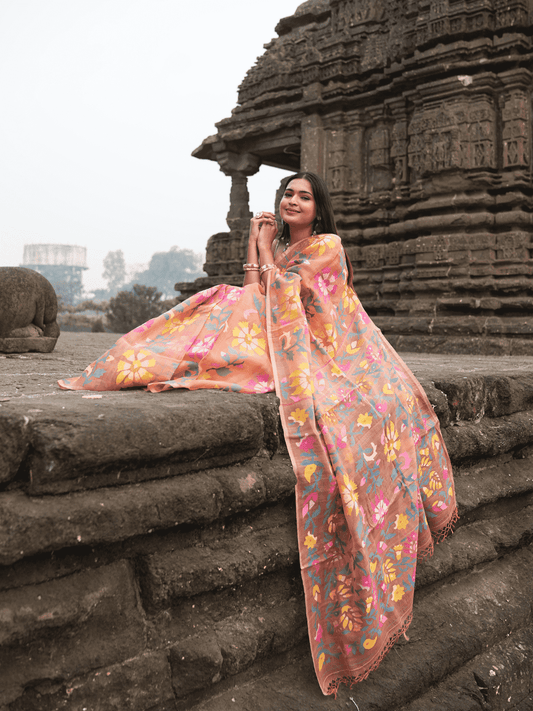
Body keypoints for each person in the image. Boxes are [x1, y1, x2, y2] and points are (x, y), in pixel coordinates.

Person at [59, 172, 457, 696]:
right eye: (287, 194)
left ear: (319, 209)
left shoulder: (327, 247)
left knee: (228, 304)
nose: (292, 201)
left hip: (319, 351)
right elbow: (258, 298)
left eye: (303, 196)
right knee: (223, 298)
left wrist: (267, 250)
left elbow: (295, 308)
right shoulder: (282, 253)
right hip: (275, 340)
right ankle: (142, 359)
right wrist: (255, 245)